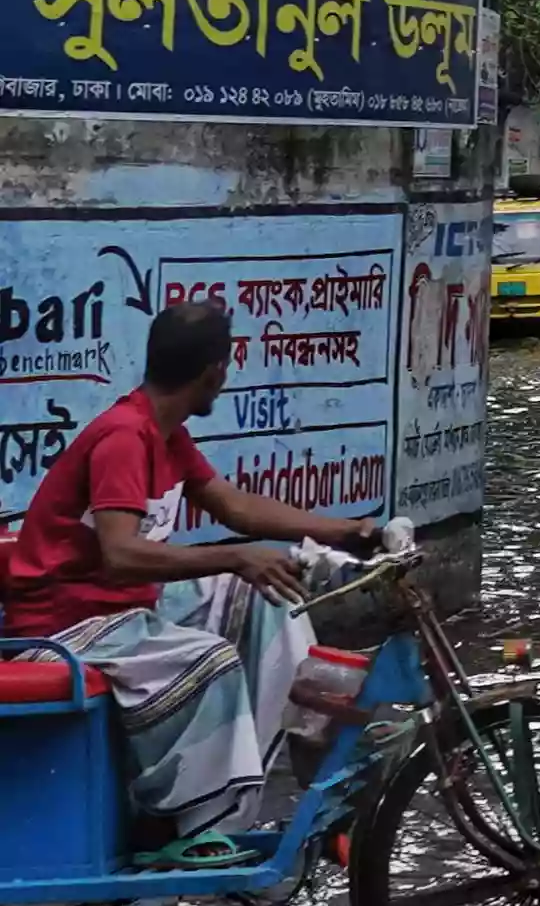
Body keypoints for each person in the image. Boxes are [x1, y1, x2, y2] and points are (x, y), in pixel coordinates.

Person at [2, 301, 376, 870]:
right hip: (67, 618)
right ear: (214, 372)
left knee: (270, 596)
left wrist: (345, 531)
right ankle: (197, 820)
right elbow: (122, 555)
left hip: (120, 602)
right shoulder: (124, 439)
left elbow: (233, 506)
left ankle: (314, 769)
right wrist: (232, 558)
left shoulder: (164, 433)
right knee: (212, 659)